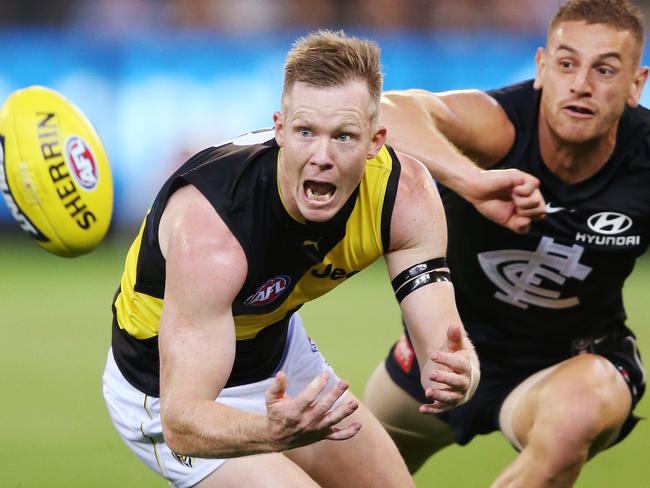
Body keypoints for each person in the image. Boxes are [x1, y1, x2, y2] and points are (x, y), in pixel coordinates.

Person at [101, 29, 541, 487]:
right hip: (162, 388)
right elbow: (183, 422)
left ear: (376, 140)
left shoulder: (403, 197)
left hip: (279, 358)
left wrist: (458, 374)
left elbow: (443, 344)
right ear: (279, 129)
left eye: (345, 136)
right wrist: (270, 432)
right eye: (305, 132)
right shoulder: (212, 230)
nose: (322, 157)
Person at [364, 0, 649, 486]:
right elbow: (385, 110)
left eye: (605, 69)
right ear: (541, 68)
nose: (581, 84)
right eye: (566, 64)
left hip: (571, 362)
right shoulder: (500, 126)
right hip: (441, 358)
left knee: (578, 412)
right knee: (336, 473)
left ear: (635, 85)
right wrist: (472, 181)